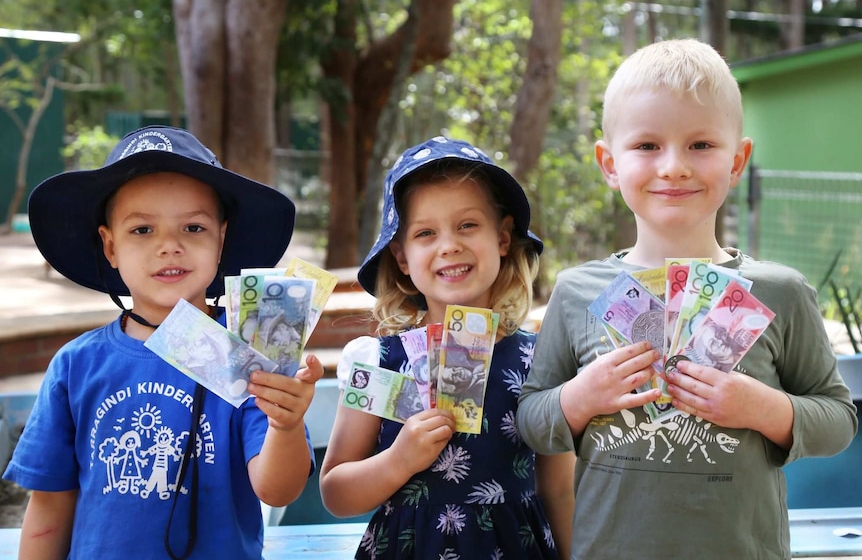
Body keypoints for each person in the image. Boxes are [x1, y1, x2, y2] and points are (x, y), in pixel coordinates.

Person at [516, 38, 858, 560]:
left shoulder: (781, 292)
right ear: (609, 163)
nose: (673, 166)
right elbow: (531, 419)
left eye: (700, 145)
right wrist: (578, 399)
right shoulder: (576, 292)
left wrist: (765, 409)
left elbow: (839, 419)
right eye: (647, 145)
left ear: (738, 159)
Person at [3, 126, 324, 559]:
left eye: (193, 227)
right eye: (142, 230)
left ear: (221, 239)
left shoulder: (251, 354)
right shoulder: (76, 366)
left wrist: (285, 426)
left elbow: (277, 490)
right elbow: (49, 506)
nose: (169, 246)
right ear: (109, 245)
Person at [320, 136, 575, 559]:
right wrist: (398, 461)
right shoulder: (380, 363)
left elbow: (559, 489)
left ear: (504, 238)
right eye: (425, 233)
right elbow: (335, 493)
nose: (449, 245)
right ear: (402, 258)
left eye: (467, 225)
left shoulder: (542, 360)